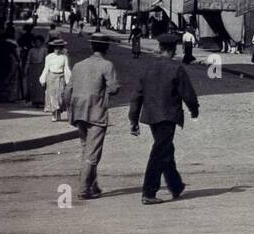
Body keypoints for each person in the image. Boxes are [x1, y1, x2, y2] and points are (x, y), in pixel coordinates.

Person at [129, 32, 200, 205]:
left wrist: (134, 119)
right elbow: (187, 92)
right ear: (174, 49)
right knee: (159, 151)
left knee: (165, 149)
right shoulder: (176, 68)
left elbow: (137, 95)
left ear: (160, 48)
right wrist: (194, 109)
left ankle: (176, 186)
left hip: (152, 116)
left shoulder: (148, 67)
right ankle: (148, 191)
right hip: (168, 115)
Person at [68, 35, 121, 199]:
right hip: (96, 112)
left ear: (92, 47)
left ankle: (93, 185)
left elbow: (68, 89)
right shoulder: (107, 65)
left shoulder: (78, 65)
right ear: (106, 49)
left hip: (78, 112)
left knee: (86, 149)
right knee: (93, 153)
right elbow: (113, 88)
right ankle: (84, 189)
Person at [40, 38, 71, 121]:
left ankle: (59, 112)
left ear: (62, 48)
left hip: (61, 78)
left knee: (60, 97)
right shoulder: (49, 57)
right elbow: (46, 68)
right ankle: (54, 114)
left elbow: (66, 68)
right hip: (51, 77)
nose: (57, 50)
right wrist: (43, 79)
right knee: (52, 96)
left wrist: (68, 80)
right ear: (53, 48)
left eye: (59, 48)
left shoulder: (64, 57)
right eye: (56, 48)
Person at [24, 35, 48, 109]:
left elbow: (46, 60)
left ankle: (41, 100)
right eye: (36, 42)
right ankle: (34, 100)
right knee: (33, 84)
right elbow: (28, 60)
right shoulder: (31, 50)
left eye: (39, 42)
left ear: (41, 43)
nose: (38, 43)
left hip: (41, 67)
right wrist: (26, 69)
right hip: (33, 68)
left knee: (41, 84)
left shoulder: (44, 50)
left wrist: (46, 69)